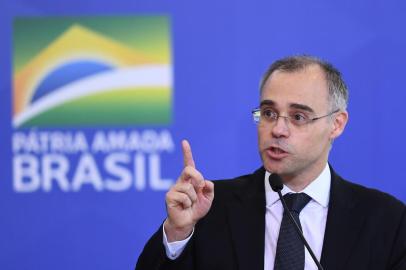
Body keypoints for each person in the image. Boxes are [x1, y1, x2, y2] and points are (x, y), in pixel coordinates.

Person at [135, 55, 406, 270]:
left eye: (298, 117)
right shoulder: (210, 208)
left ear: (336, 124)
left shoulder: (387, 222)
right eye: (268, 113)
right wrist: (178, 232)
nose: (277, 129)